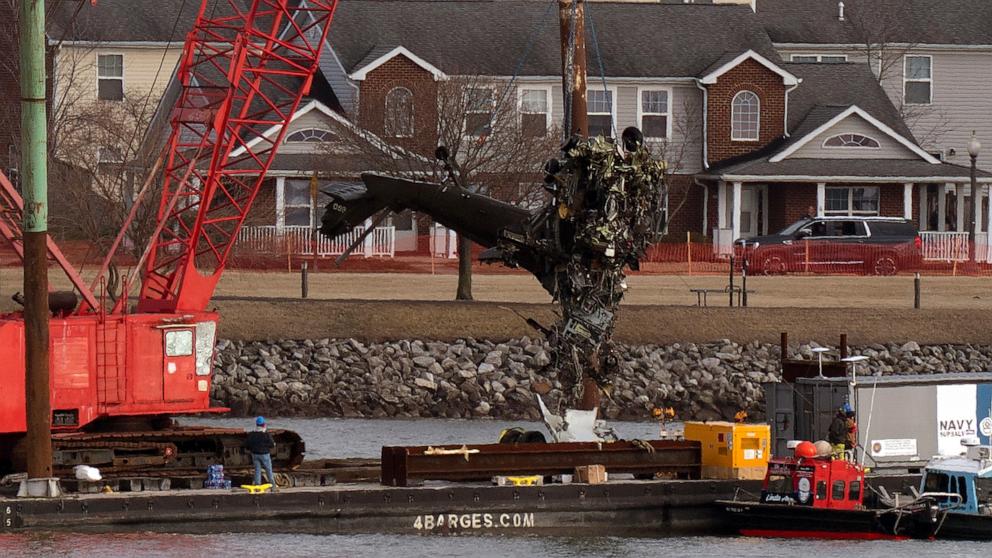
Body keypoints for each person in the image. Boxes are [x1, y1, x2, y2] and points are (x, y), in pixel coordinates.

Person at [246, 416, 276, 488]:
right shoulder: (266, 434)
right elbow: (272, 444)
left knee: (257, 470)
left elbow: (247, 444)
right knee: (268, 469)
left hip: (255, 454)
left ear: (256, 424)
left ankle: (257, 485)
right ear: (264, 425)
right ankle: (273, 485)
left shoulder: (252, 434)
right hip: (264, 454)